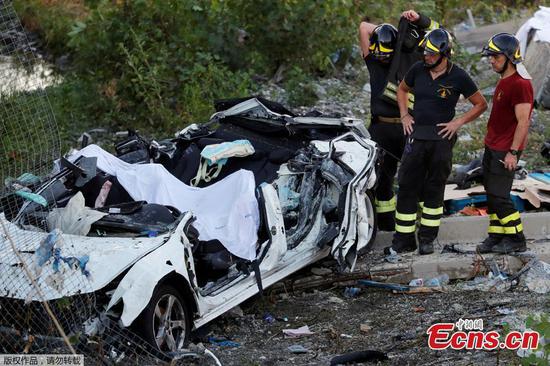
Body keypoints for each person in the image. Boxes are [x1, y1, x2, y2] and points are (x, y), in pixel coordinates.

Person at [386, 28, 488, 255]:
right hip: (416, 137)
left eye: (432, 54)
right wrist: (404, 115)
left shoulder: (459, 76)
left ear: (445, 53)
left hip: (442, 140)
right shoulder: (417, 70)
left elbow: (481, 104)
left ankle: (427, 240)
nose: (427, 57)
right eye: (425, 52)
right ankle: (403, 240)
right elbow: (402, 89)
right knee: (407, 186)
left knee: (434, 188)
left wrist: (458, 122)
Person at [358, 10, 440, 231]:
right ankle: (386, 223)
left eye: (386, 54)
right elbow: (363, 27)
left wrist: (415, 20)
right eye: (379, 53)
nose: (381, 57)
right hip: (380, 128)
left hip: (407, 126)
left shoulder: (410, 61)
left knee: (416, 174)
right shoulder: (373, 62)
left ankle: (425, 222)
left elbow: (437, 33)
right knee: (382, 177)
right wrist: (385, 30)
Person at [476, 33, 533, 254]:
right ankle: (496, 236)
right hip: (493, 145)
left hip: (505, 149)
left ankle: (517, 239)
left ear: (510, 57)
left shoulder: (520, 84)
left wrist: (512, 152)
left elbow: (523, 122)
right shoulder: (505, 79)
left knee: (500, 197)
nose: (491, 60)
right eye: (490, 56)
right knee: (492, 195)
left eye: (496, 57)